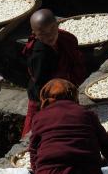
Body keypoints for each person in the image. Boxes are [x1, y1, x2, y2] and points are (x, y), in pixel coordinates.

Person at [21, 9, 86, 137]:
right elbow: (41, 84)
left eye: (51, 29)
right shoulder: (40, 54)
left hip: (62, 89)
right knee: (39, 129)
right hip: (43, 96)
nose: (49, 35)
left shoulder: (63, 39)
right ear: (35, 33)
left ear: (57, 25)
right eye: (43, 33)